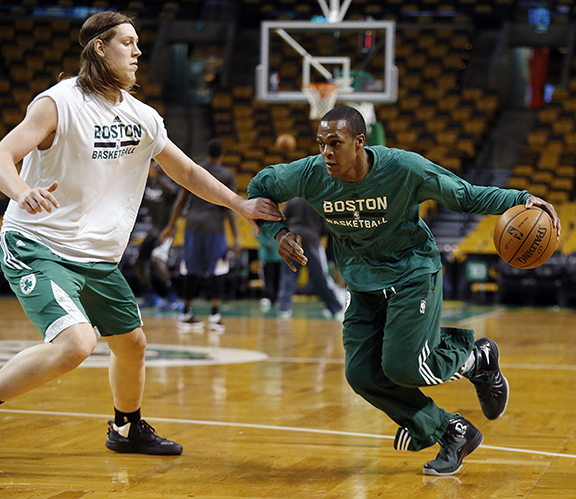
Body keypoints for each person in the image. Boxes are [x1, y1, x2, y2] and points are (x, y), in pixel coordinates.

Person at [0, 11, 282, 457]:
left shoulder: (143, 116)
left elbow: (186, 170)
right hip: (38, 244)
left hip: (96, 256)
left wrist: (240, 204)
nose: (137, 52)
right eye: (127, 43)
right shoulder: (57, 103)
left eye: (137, 44)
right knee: (76, 344)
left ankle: (126, 429)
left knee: (132, 344)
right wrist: (22, 190)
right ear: (99, 47)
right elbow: (3, 153)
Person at [248, 105, 561, 476]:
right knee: (361, 374)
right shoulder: (311, 174)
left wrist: (520, 199)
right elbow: (258, 190)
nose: (327, 152)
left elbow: (464, 195)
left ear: (360, 143)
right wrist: (278, 233)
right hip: (363, 282)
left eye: (335, 143)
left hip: (413, 273)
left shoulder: (403, 168)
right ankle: (452, 431)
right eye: (321, 144)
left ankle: (475, 360)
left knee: (404, 365)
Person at [160, 138, 241, 332]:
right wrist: (236, 236)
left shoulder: (195, 169)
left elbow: (180, 201)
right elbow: (230, 207)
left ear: (207, 152)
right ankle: (214, 315)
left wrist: (170, 225)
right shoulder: (227, 174)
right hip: (214, 227)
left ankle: (187, 312)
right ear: (222, 154)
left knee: (190, 270)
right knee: (218, 270)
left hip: (193, 226)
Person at [276, 197, 343, 320]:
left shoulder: (292, 200)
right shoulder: (319, 201)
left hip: (293, 239)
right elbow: (327, 225)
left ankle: (283, 309)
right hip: (312, 240)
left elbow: (283, 218)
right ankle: (336, 309)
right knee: (321, 277)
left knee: (288, 276)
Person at [133, 159, 181, 310]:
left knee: (157, 259)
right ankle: (151, 295)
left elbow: (173, 191)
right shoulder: (146, 184)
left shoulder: (167, 183)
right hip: (153, 230)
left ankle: (174, 297)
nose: (153, 166)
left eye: (156, 163)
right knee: (138, 262)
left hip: (167, 230)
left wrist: (157, 177)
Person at [256, 230, 283, 311]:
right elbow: (257, 233)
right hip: (266, 256)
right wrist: (267, 243)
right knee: (267, 277)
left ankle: (277, 297)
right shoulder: (262, 221)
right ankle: (267, 296)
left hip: (279, 255)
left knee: (278, 277)